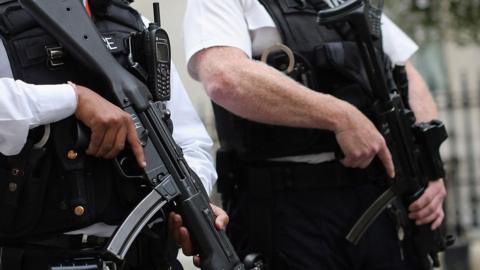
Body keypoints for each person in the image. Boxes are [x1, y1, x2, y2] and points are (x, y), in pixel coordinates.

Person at [182, 0, 447, 269]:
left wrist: (430, 171)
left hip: (376, 202)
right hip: (287, 210)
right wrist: (339, 117)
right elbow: (225, 76)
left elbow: (405, 71)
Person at [0, 0, 226, 269]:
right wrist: (73, 99)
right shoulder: (8, 23)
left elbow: (190, 140)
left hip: (148, 256)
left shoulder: (133, 23)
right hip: (40, 257)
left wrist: (189, 203)